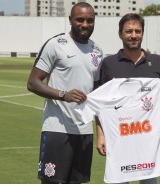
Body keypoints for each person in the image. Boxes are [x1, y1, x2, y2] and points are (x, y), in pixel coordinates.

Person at [96, 13, 160, 184]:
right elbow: (100, 104)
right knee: (119, 180)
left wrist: (149, 92)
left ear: (142, 33)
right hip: (118, 138)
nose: (133, 35)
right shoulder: (109, 63)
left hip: (148, 138)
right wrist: (101, 136)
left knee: (149, 181)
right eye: (129, 31)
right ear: (120, 34)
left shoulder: (156, 62)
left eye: (137, 31)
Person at [27, 2, 103, 184]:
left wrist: (101, 133)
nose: (85, 24)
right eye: (80, 20)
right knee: (52, 182)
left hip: (84, 131)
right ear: (70, 20)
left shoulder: (97, 51)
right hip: (57, 129)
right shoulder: (56, 44)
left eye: (89, 20)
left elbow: (98, 96)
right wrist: (63, 94)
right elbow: (32, 82)